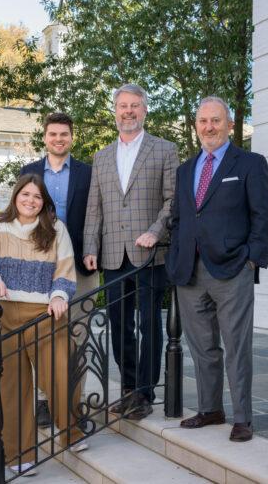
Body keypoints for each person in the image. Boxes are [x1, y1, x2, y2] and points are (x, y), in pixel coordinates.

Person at [166, 96, 268, 442]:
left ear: (229, 125)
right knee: (202, 348)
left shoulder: (250, 163)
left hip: (233, 269)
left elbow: (263, 215)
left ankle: (242, 417)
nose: (209, 127)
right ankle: (211, 409)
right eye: (203, 121)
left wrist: (252, 259)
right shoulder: (186, 170)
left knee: (236, 346)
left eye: (216, 120)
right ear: (195, 126)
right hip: (190, 272)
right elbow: (180, 218)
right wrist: (175, 258)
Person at [0, 174, 86, 476]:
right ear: (16, 196)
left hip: (43, 311)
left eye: (37, 196)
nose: (31, 201)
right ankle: (18, 454)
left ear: (44, 201)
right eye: (26, 194)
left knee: (61, 368)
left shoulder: (56, 229)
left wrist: (60, 295)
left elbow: (65, 268)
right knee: (10, 384)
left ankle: (71, 431)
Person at [83, 84, 178, 420]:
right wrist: (90, 246)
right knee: (119, 323)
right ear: (115, 111)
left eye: (135, 106)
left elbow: (173, 199)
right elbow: (95, 206)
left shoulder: (164, 150)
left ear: (145, 110)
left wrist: (156, 230)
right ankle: (127, 388)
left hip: (149, 254)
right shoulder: (102, 156)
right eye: (122, 106)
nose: (128, 111)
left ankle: (145, 393)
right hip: (112, 254)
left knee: (150, 323)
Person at [20, 112, 96, 428]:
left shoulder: (88, 173)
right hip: (40, 267)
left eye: (64, 134)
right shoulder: (29, 172)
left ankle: (73, 403)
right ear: (45, 138)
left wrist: (92, 249)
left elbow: (97, 216)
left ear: (71, 137)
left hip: (80, 266)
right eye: (53, 134)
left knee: (78, 336)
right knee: (41, 337)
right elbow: (19, 216)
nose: (58, 139)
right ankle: (43, 402)